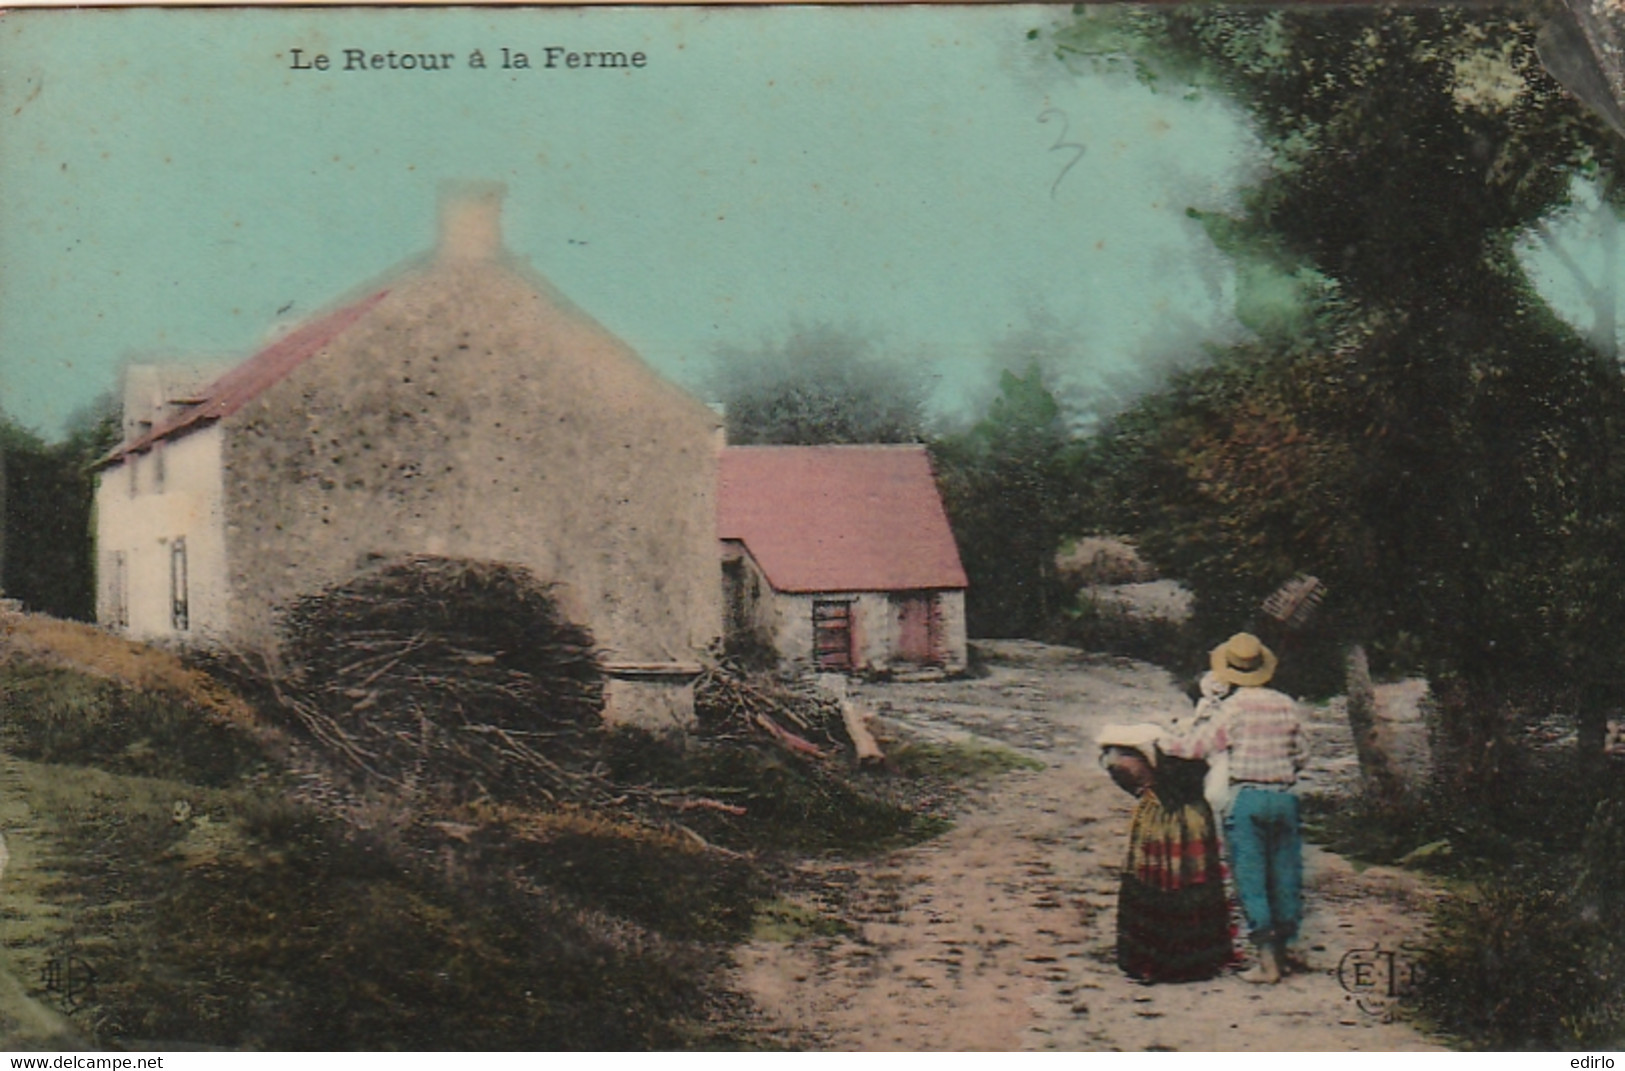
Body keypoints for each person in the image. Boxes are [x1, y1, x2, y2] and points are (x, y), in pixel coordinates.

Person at [1163, 632, 1309, 984]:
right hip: (1285, 798)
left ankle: (1267, 963)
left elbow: (1197, 746)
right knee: (1286, 876)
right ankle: (1288, 950)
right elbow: (1302, 755)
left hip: (1247, 799)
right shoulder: (1288, 705)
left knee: (1251, 879)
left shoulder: (1233, 707)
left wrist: (1167, 741)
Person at [1097, 723, 1234, 985]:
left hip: (1159, 817)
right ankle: (1198, 960)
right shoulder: (1206, 737)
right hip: (1194, 817)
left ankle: (1152, 961)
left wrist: (1142, 790)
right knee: (1193, 882)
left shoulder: (1136, 746)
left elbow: (1118, 769)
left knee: (1154, 881)